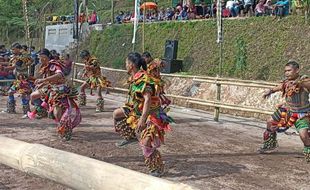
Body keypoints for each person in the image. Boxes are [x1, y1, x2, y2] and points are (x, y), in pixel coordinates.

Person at [113, 52, 173, 177]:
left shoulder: (142, 78)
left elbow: (148, 99)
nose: (125, 65)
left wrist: (142, 119)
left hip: (152, 114)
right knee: (117, 114)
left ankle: (157, 168)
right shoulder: (134, 77)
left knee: (145, 143)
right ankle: (130, 137)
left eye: (126, 63)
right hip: (137, 110)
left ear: (131, 65)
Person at [258, 60, 310, 162]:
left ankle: (308, 150)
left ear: (297, 70)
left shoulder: (304, 80)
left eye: (289, 70)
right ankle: (270, 144)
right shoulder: (286, 82)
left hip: (302, 113)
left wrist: (299, 83)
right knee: (270, 122)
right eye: (285, 71)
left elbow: (308, 85)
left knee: (303, 135)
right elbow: (279, 86)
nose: (286, 73)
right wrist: (270, 90)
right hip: (287, 111)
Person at [29, 48, 81, 140]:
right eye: (39, 57)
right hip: (49, 88)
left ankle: (65, 129)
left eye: (42, 57)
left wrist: (44, 80)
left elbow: (59, 75)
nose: (40, 59)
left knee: (57, 113)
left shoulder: (54, 64)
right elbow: (50, 79)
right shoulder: (45, 66)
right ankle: (42, 110)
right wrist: (42, 83)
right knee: (33, 96)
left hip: (59, 90)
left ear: (46, 57)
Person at [5, 43, 33, 115]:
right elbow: (10, 64)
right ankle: (11, 109)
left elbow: (13, 67)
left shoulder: (22, 56)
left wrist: (3, 68)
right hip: (18, 79)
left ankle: (26, 112)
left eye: (14, 49)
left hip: (23, 79)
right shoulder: (17, 56)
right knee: (11, 92)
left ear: (18, 49)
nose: (12, 51)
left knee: (23, 93)